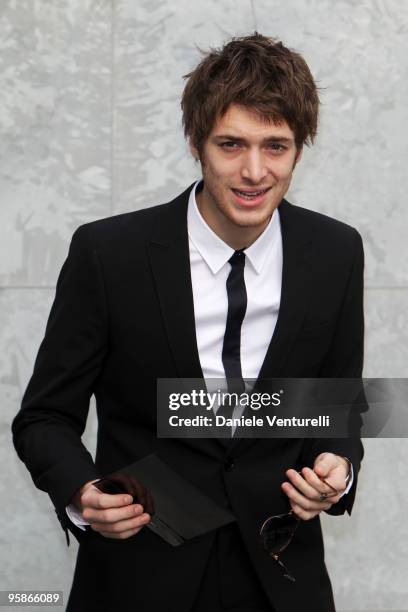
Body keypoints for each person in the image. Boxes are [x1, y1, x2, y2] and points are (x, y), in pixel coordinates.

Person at [12, 33, 364, 612]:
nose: (254, 171)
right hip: (137, 580)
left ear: (300, 149)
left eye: (275, 146)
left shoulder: (336, 252)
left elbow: (337, 402)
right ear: (197, 142)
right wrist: (83, 491)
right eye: (231, 144)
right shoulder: (109, 254)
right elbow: (44, 417)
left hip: (281, 578)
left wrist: (337, 465)